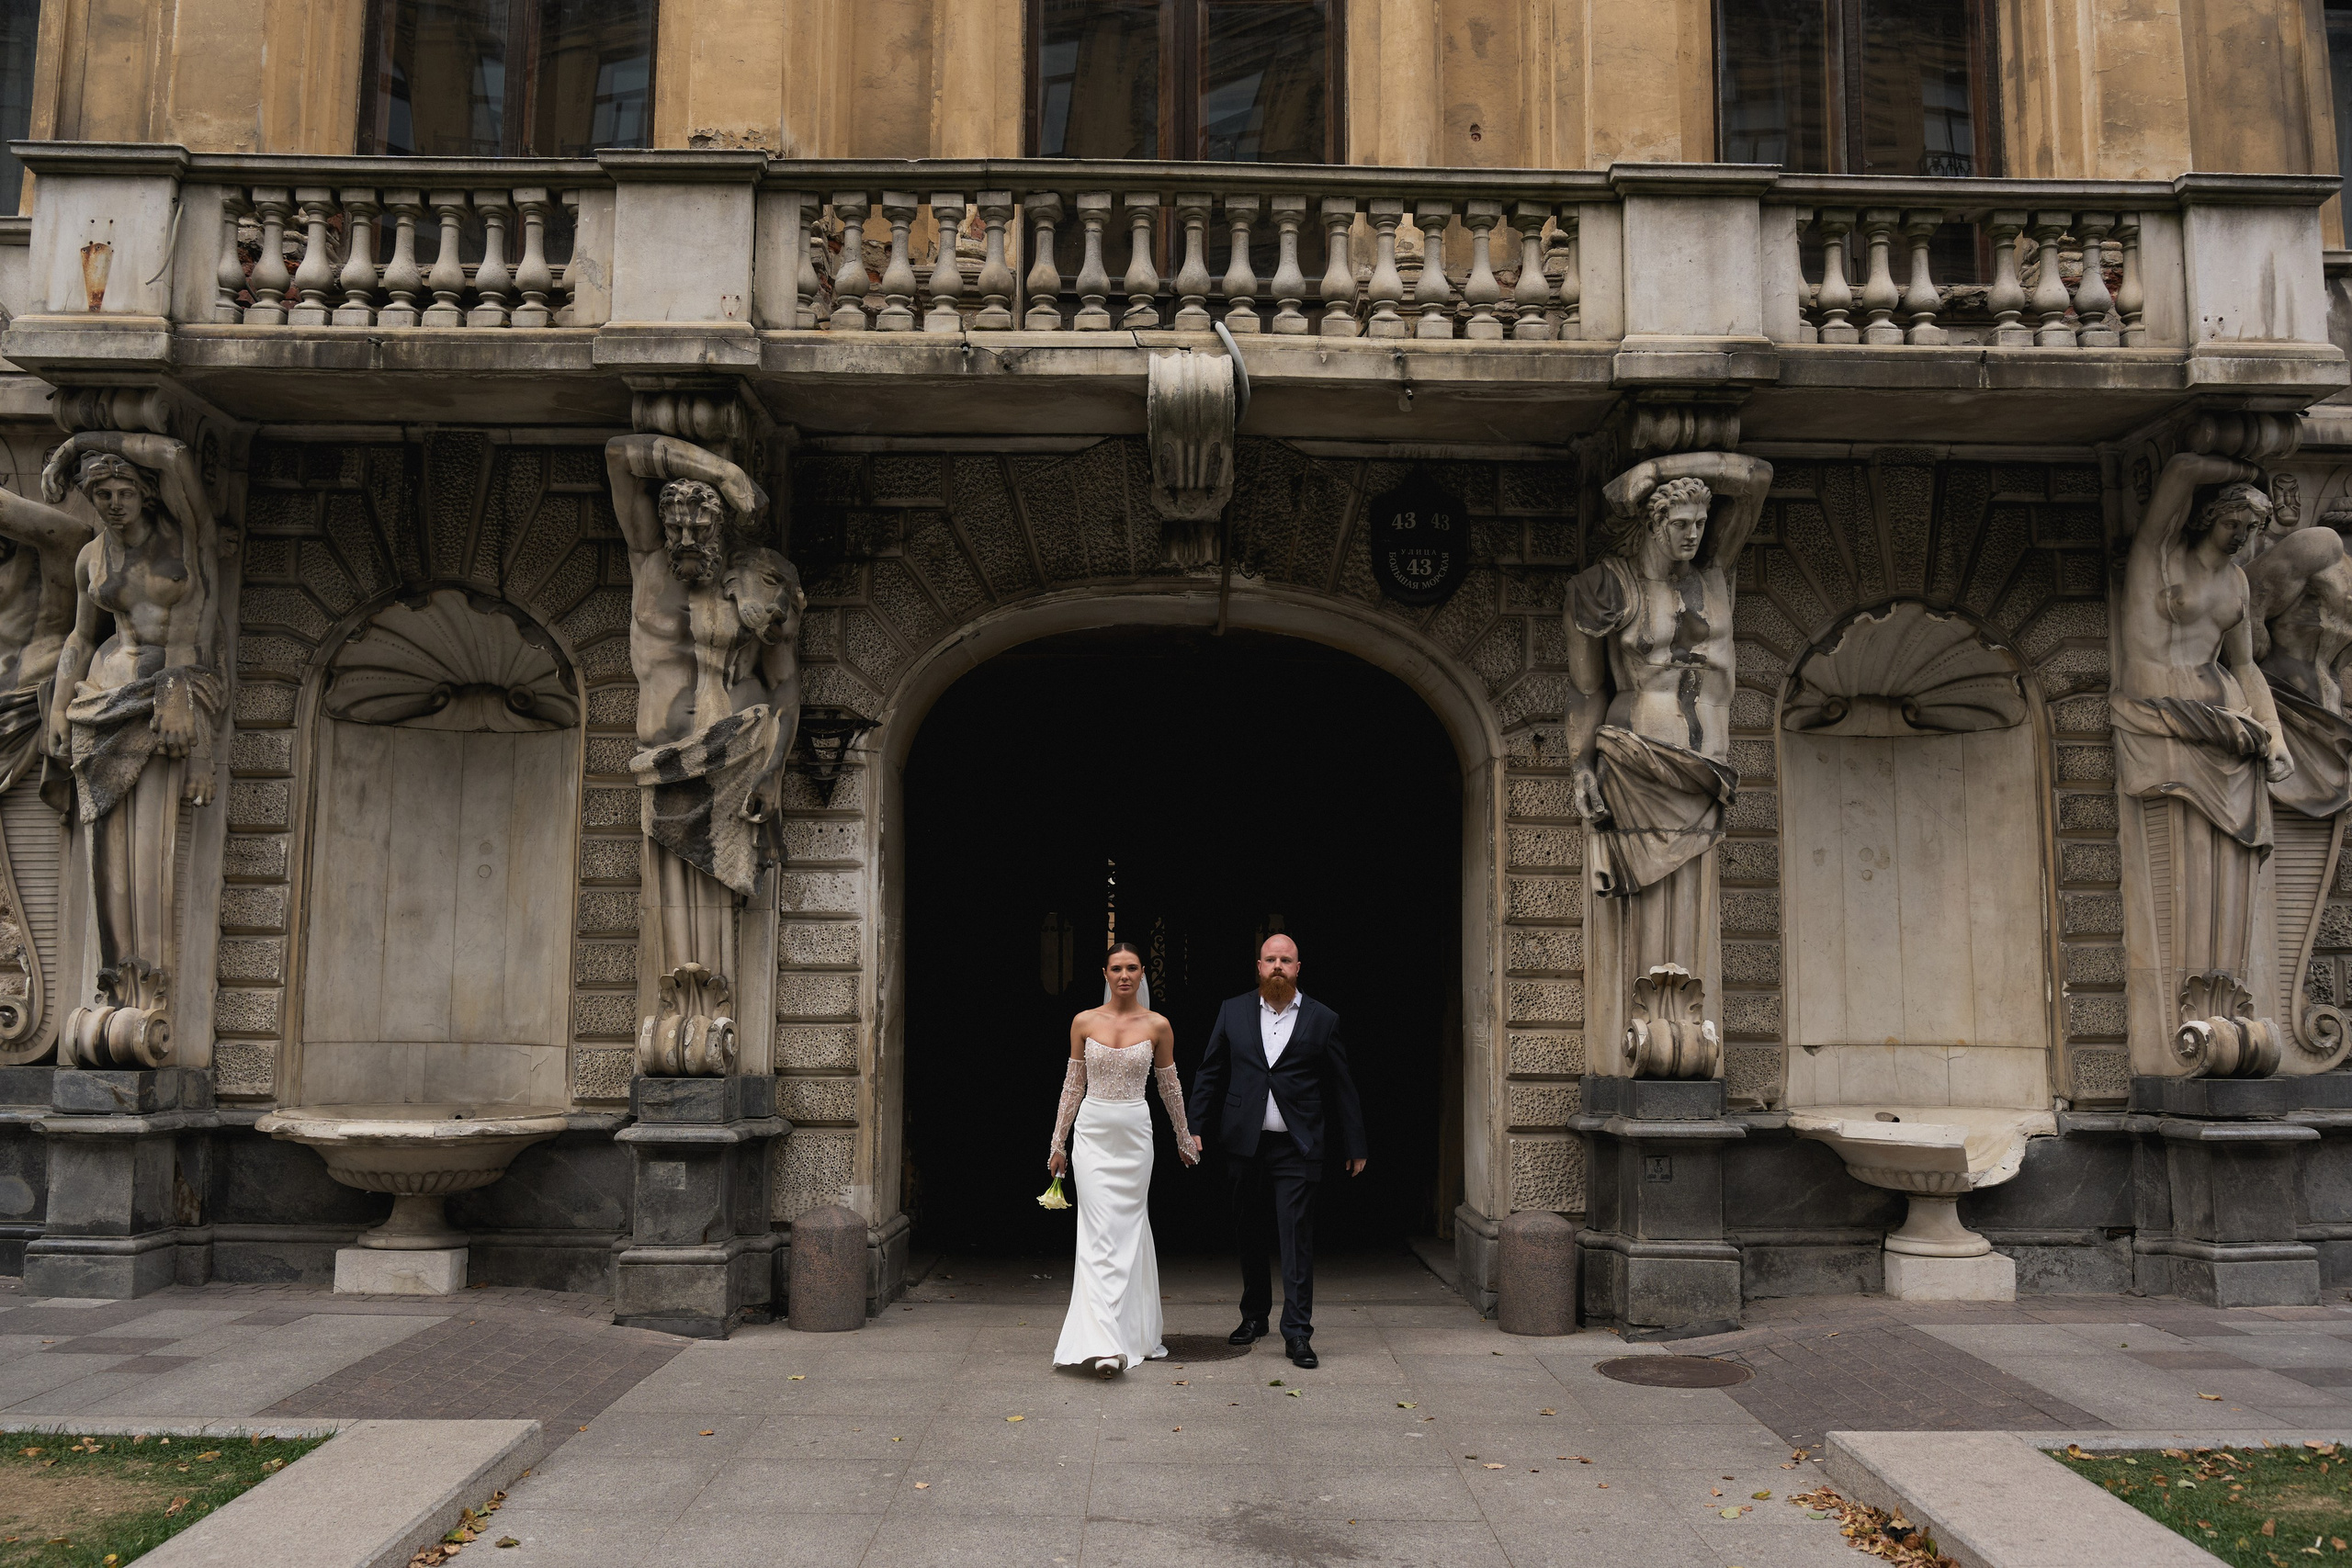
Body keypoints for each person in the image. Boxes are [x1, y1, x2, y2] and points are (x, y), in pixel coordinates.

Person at [604, 434, 802, 1076]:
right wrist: (719, 471)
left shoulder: (757, 583)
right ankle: (683, 1029)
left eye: (699, 525)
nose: (685, 538)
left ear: (721, 529)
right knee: (673, 925)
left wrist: (771, 773)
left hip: (732, 763)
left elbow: (786, 685)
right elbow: (619, 453)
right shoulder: (647, 563)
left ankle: (710, 1034)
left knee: (721, 916)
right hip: (661, 764)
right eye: (675, 526)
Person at [45, 433, 221, 1068]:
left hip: (163, 696)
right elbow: (78, 634)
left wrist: (81, 443)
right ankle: (114, 981)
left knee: (152, 851)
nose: (113, 503)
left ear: (145, 492)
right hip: (101, 698)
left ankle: (148, 989)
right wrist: (60, 710)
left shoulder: (186, 545)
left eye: (122, 491)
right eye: (100, 494)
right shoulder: (92, 557)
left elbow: (176, 456)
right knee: (103, 857)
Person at [2114, 453, 2291, 1072]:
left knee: (2231, 871)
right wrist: (2234, 447)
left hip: (2234, 737)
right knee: (2188, 865)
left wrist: (2274, 733)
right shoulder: (2160, 556)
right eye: (2235, 522)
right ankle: (2191, 1018)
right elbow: (2181, 469)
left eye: (2253, 528)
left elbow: (2244, 666)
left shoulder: (2237, 583)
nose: (2243, 536)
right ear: (2211, 515)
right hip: (2166, 722)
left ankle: (2227, 1006)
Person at [1186, 933, 1367, 1370]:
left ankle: (1298, 1333)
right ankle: (1253, 1318)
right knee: (1249, 1232)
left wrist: (1355, 1143)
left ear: (1298, 968)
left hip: (1298, 1145)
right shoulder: (1233, 1010)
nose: (1278, 966)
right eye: (1271, 959)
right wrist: (1192, 1127)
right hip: (1244, 1143)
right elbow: (1210, 1070)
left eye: (1286, 959)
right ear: (1259, 966)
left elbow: (1342, 1085)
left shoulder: (1323, 1018)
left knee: (1296, 1237)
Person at [1046, 941, 1200, 1378]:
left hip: (1135, 1135)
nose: (1125, 975)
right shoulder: (1083, 1021)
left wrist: (1183, 1137)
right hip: (1092, 1133)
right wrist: (1059, 1142)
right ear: (1106, 973)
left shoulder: (1158, 1026)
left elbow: (1170, 1087)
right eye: (1117, 968)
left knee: (1129, 1230)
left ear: (1143, 974)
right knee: (1096, 1233)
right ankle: (1103, 1344)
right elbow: (1072, 1085)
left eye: (1133, 968)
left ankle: (1128, 1332)